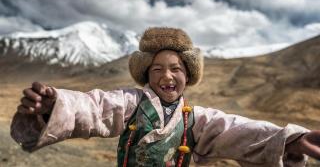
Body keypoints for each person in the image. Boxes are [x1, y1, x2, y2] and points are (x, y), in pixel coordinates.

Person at [10, 27, 320, 167]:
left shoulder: (196, 119)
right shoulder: (131, 103)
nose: (166, 76)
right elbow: (96, 106)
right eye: (157, 69)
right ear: (147, 75)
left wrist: (288, 139)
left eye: (175, 69)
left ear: (189, 75)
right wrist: (56, 105)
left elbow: (236, 130)